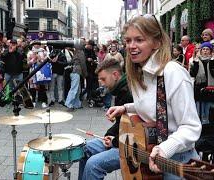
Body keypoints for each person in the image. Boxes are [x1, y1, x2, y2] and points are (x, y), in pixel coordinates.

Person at [107, 15, 202, 179]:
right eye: (128, 41)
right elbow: (157, 106)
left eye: (139, 40)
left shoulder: (173, 73)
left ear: (157, 42)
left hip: (177, 161)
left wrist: (165, 149)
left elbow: (191, 127)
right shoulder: (139, 72)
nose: (131, 46)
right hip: (148, 152)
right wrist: (126, 108)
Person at [78, 59, 133, 180]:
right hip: (119, 140)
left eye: (103, 79)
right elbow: (120, 124)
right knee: (83, 149)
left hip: (131, 148)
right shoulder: (120, 90)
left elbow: (135, 132)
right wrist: (109, 135)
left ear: (115, 75)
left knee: (93, 165)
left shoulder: (129, 93)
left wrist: (114, 141)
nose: (101, 83)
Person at [189, 42, 214, 121]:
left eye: (207, 49)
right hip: (199, 89)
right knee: (199, 108)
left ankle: (208, 124)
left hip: (210, 88)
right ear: (201, 51)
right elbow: (192, 74)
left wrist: (212, 62)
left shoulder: (212, 60)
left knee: (209, 109)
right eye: (203, 49)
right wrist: (195, 63)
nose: (205, 51)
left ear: (210, 51)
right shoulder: (196, 61)